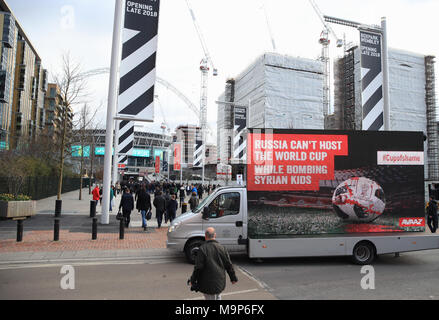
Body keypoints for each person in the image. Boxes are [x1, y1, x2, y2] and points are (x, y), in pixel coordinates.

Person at [188, 227, 238, 300]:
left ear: (205, 236)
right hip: (219, 282)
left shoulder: (202, 249)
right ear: (215, 235)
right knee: (218, 297)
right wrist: (233, 278)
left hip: (207, 283)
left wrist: (193, 280)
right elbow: (228, 265)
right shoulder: (222, 248)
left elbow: (198, 268)